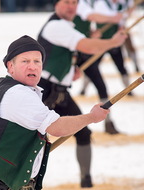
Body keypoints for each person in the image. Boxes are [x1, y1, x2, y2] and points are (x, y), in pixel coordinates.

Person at [0, 35, 110, 190]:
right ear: (10, 66)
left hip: (2, 181)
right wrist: (91, 117)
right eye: (25, 61)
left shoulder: (21, 90)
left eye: (37, 61)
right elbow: (57, 127)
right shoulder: (18, 94)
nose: (32, 66)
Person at [37, 0, 127, 187]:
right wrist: (113, 42)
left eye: (74, 2)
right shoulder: (55, 26)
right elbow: (88, 46)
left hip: (61, 92)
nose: (71, 6)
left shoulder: (68, 26)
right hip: (43, 92)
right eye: (66, 2)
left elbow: (69, 51)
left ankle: (86, 181)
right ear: (56, 5)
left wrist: (71, 70)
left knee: (83, 132)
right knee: (31, 138)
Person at [73, 0, 126, 134]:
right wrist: (114, 18)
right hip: (72, 51)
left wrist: (91, 32)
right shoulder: (77, 3)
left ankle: (108, 124)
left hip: (83, 50)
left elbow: (86, 21)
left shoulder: (87, 3)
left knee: (101, 86)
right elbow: (92, 16)